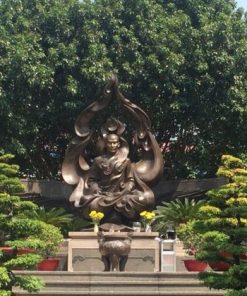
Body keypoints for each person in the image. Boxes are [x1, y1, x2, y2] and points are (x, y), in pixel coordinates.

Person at [77, 133, 154, 224]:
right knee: (85, 200)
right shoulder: (98, 160)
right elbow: (91, 180)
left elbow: (130, 180)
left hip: (121, 195)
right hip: (103, 195)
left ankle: (113, 211)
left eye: (115, 143)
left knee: (141, 199)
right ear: (106, 144)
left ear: (119, 144)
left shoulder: (126, 161)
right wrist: (96, 188)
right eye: (110, 143)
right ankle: (114, 212)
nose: (112, 145)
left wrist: (126, 189)